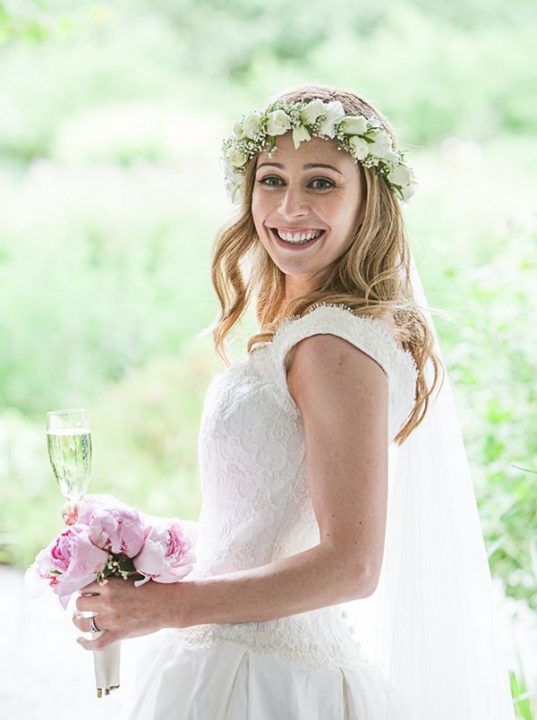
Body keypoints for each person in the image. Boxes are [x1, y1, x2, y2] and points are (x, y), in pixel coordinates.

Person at [69, 84, 516, 719]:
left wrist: (160, 608)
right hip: (242, 662)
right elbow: (275, 524)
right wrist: (154, 552)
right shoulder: (323, 332)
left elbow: (351, 565)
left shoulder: (331, 344)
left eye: (322, 183)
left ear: (370, 200)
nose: (290, 207)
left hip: (264, 685)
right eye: (272, 179)